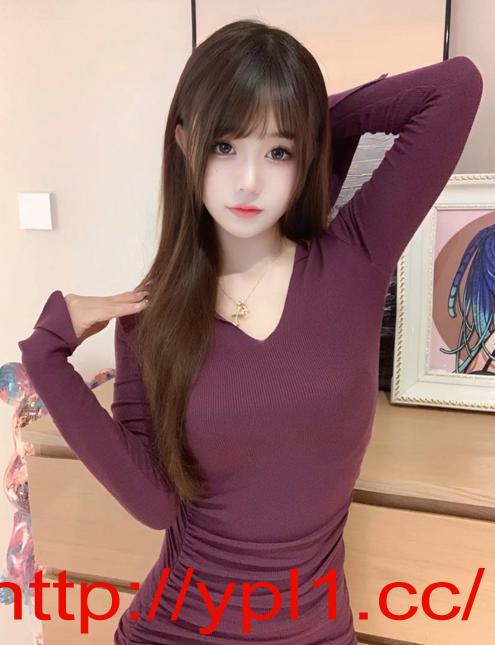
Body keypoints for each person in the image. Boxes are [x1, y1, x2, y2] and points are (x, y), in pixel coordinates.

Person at [18, 18, 483, 645]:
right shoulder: (150, 320)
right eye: (224, 146)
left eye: (278, 152)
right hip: (176, 628)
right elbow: (154, 505)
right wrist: (47, 357)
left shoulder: (355, 260)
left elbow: (455, 88)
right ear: (186, 144)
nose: (249, 181)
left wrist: (305, 114)